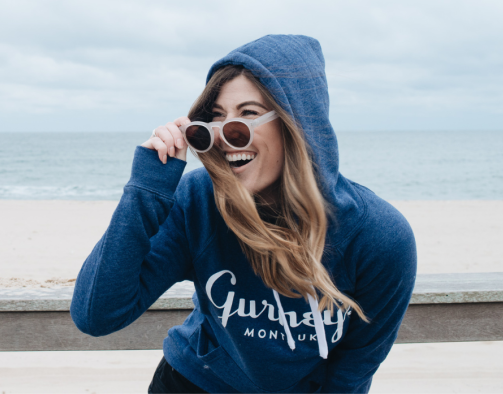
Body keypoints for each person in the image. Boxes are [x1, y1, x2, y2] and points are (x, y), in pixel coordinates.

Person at [71, 34, 417, 393]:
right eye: (215, 119)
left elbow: (354, 368)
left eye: (247, 115)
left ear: (297, 121)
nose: (223, 136)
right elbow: (97, 314)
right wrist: (147, 189)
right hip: (192, 382)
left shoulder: (379, 236)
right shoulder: (200, 200)